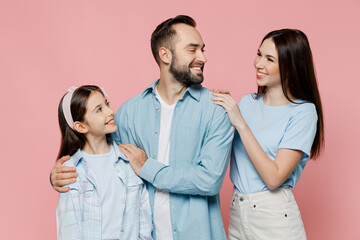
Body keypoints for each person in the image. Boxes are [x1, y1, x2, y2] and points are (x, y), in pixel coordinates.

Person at [51, 16, 234, 240]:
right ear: (165, 55)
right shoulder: (129, 112)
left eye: (203, 49)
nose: (203, 57)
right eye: (192, 49)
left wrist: (147, 167)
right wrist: (61, 175)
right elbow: (104, 159)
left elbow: (210, 180)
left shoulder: (216, 108)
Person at [211, 29, 324, 239]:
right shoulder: (246, 103)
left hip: (274, 217)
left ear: (291, 67)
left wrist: (240, 123)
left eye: (269, 59)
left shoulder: (303, 112)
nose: (258, 63)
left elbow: (274, 177)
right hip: (237, 211)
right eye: (259, 54)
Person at [55, 85, 152, 239]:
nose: (110, 112)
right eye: (99, 109)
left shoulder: (128, 160)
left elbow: (144, 217)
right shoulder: (71, 171)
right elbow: (69, 230)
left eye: (107, 104)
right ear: (81, 126)